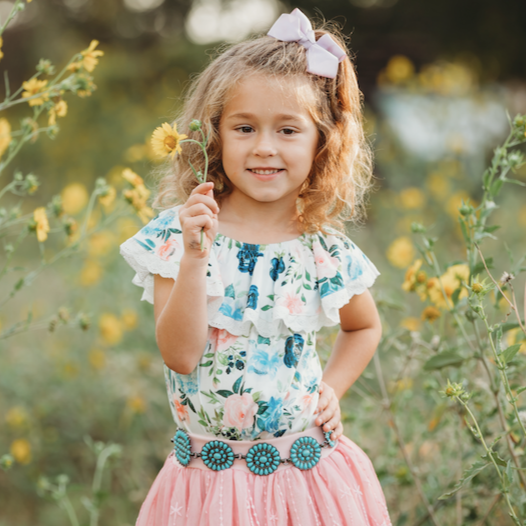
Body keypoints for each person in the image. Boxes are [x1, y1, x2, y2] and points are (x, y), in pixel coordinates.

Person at [120, 7, 392, 526]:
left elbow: (364, 326)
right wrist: (196, 256)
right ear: (215, 134)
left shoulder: (322, 250)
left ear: (322, 142)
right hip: (208, 485)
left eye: (288, 130)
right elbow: (180, 355)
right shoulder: (181, 235)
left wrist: (329, 388)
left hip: (305, 478)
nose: (264, 147)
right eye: (244, 127)